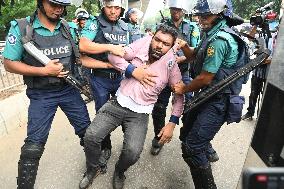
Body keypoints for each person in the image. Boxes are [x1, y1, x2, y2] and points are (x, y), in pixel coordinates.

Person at [79, 24, 184, 189]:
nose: (159, 45)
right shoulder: (143, 43)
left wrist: (172, 122)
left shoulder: (171, 65)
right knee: (91, 136)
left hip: (140, 114)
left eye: (165, 44)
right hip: (117, 104)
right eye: (157, 40)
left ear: (171, 48)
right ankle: (92, 169)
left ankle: (120, 171)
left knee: (132, 153)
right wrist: (132, 70)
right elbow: (114, 56)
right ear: (152, 37)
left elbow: (179, 95)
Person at [2, 0, 91, 188]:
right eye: (53, 3)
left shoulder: (69, 27)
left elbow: (80, 56)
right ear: (40, 2)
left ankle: (95, 166)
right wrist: (44, 71)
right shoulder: (22, 28)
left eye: (62, 4)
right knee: (33, 146)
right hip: (41, 94)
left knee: (87, 133)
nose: (59, 8)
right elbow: (9, 63)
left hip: (69, 91)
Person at [172, 0, 248, 188]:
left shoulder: (220, 40)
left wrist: (183, 89)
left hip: (219, 100)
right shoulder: (211, 34)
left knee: (192, 148)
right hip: (208, 95)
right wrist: (183, 45)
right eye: (200, 15)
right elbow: (193, 56)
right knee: (187, 133)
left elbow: (205, 78)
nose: (201, 19)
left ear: (221, 15)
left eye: (206, 16)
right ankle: (207, 152)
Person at [79, 0, 129, 173]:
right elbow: (83, 45)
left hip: (121, 79)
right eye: (109, 7)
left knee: (126, 112)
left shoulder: (125, 25)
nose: (113, 11)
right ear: (103, 7)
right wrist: (110, 48)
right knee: (103, 115)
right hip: (100, 78)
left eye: (117, 8)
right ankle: (105, 147)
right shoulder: (94, 23)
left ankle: (128, 145)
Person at [150, 0, 201, 156]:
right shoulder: (161, 25)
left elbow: (194, 52)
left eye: (179, 9)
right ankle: (159, 138)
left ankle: (189, 138)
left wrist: (181, 59)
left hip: (183, 72)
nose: (176, 12)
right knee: (159, 108)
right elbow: (153, 45)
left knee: (189, 105)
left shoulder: (192, 28)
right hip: (163, 72)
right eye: (173, 9)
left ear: (183, 10)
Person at [241, 11, 278, 120]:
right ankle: (250, 112)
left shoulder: (277, 35)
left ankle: (264, 116)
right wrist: (256, 24)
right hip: (258, 68)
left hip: (270, 71)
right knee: (253, 93)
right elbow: (250, 37)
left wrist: (270, 60)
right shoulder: (260, 33)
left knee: (267, 95)